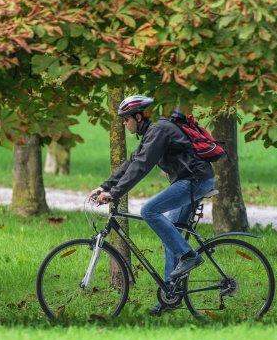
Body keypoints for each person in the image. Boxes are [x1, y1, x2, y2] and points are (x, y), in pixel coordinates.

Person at [90, 94, 217, 304]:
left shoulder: (158, 131)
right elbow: (133, 161)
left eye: (126, 118)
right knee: (171, 234)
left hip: (195, 181)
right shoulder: (152, 132)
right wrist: (105, 186)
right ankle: (171, 297)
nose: (124, 123)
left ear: (138, 117)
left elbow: (141, 167)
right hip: (192, 180)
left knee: (149, 211)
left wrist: (115, 194)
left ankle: (189, 256)